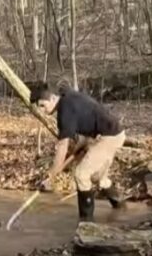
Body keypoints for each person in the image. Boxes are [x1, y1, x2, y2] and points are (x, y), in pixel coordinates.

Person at [31, 83, 126, 222]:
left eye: (42, 106)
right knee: (99, 178)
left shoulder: (65, 111)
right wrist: (80, 147)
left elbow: (63, 145)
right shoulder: (68, 96)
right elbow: (86, 119)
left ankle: (86, 223)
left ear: (52, 98)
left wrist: (52, 175)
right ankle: (121, 207)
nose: (42, 111)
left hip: (109, 137)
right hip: (109, 133)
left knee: (81, 174)